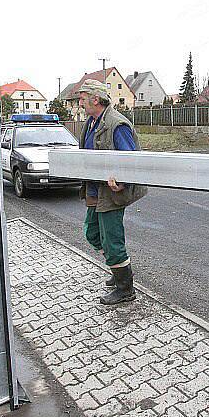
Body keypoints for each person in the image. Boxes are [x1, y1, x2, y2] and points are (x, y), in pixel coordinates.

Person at [77, 79, 147, 305]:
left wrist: (123, 183)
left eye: (82, 98)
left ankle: (125, 288)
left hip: (112, 193)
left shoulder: (117, 124)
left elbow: (131, 161)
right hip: (95, 190)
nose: (80, 103)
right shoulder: (91, 122)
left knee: (112, 241)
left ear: (95, 99)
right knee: (92, 233)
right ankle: (118, 268)